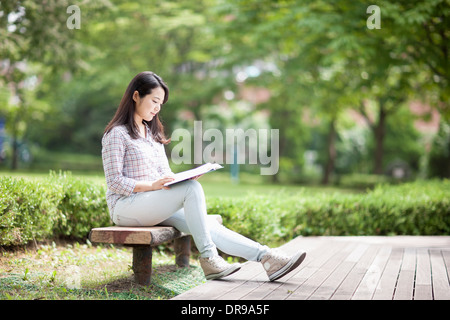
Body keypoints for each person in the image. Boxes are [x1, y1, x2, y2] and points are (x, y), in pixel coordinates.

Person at [101, 71, 306, 281]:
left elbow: (165, 175)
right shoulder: (116, 134)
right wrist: (153, 185)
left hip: (151, 204)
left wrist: (181, 179)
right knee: (192, 191)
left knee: (208, 223)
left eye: (161, 104)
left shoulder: (152, 135)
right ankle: (210, 259)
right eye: (154, 101)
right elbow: (115, 182)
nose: (157, 108)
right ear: (136, 96)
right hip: (125, 207)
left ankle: (267, 258)